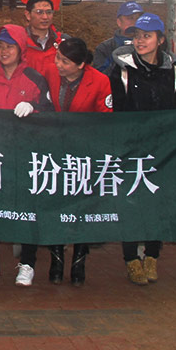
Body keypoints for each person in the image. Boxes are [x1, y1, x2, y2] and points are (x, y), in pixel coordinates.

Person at [107, 12, 176, 285]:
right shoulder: (122, 70)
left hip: (162, 150)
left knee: (157, 204)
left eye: (147, 36)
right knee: (131, 203)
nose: (140, 41)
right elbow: (116, 110)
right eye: (137, 36)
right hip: (131, 149)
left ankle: (152, 256)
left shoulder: (173, 72)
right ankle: (130, 259)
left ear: (160, 40)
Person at [0, 24, 57, 286]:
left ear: (21, 49)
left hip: (26, 153)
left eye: (9, 46)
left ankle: (28, 263)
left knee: (27, 209)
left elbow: (50, 112)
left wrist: (33, 107)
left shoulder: (34, 78)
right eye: (0, 46)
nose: (4, 51)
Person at [38, 37, 113, 286]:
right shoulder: (50, 72)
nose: (58, 64)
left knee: (82, 208)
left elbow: (105, 118)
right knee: (56, 205)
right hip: (56, 152)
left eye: (65, 61)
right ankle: (56, 259)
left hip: (85, 154)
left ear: (81, 65)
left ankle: (79, 260)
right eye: (58, 58)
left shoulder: (100, 81)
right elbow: (44, 103)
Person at [22, 0, 68, 76]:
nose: (45, 17)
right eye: (39, 12)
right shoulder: (18, 42)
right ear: (28, 15)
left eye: (49, 12)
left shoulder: (64, 41)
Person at [92, 1, 143, 73]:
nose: (135, 22)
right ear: (119, 22)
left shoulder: (150, 45)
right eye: (130, 18)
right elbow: (99, 77)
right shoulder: (105, 48)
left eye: (138, 18)